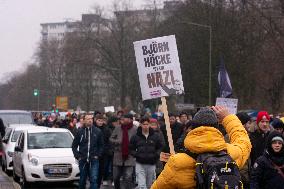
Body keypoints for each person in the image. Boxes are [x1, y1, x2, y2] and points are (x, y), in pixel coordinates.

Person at [151, 106, 251, 189]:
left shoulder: (177, 162)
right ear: (217, 127)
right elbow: (244, 142)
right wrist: (227, 117)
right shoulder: (230, 154)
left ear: (193, 128)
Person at [72, 113, 104, 189]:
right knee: (82, 179)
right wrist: (78, 156)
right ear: (84, 120)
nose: (90, 120)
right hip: (83, 159)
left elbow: (101, 145)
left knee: (94, 178)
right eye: (88, 119)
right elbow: (74, 146)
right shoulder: (80, 131)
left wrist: (98, 155)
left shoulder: (98, 131)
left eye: (91, 119)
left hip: (94, 159)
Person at [129, 117, 163, 189]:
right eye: (144, 124)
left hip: (151, 163)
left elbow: (160, 147)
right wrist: (136, 155)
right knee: (142, 185)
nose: (145, 126)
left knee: (149, 185)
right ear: (141, 125)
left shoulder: (155, 136)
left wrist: (156, 154)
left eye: (147, 124)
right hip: (140, 163)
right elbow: (130, 148)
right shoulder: (135, 136)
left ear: (149, 125)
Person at [110, 113, 137, 189]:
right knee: (116, 177)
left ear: (130, 120)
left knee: (128, 177)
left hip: (130, 156)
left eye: (124, 118)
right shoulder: (118, 128)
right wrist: (118, 141)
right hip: (118, 155)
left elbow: (138, 141)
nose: (122, 119)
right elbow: (111, 139)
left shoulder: (135, 129)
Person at [94, 114, 113, 188]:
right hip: (94, 152)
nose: (100, 122)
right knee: (94, 171)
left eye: (101, 121)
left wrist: (107, 150)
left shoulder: (106, 129)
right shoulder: (93, 128)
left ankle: (98, 185)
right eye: (99, 120)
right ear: (96, 120)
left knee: (101, 170)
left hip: (104, 153)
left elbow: (110, 141)